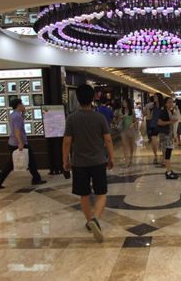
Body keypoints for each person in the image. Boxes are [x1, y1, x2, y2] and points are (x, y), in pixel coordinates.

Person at [62, 84, 114, 243]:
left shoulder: (72, 118)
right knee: (101, 193)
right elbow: (108, 139)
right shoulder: (100, 118)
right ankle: (96, 219)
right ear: (93, 98)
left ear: (77, 98)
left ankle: (89, 220)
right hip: (98, 161)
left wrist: (65, 160)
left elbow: (67, 142)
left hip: (79, 162)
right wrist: (111, 157)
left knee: (84, 194)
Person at [0, 98, 47, 189]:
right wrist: (20, 143)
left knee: (13, 163)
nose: (23, 106)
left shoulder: (13, 115)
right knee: (30, 161)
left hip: (13, 142)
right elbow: (17, 131)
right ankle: (36, 179)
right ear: (18, 105)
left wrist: (24, 113)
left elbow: (17, 126)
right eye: (22, 104)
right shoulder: (17, 116)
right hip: (18, 143)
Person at [158, 97, 178, 179]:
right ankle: (169, 172)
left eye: (172, 102)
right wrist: (171, 122)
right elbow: (159, 122)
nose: (171, 104)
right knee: (167, 153)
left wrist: (174, 134)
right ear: (165, 103)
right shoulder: (163, 112)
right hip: (165, 135)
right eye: (169, 102)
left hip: (169, 135)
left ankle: (169, 170)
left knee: (168, 153)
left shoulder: (171, 111)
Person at [118, 99, 137, 167]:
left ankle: (131, 158)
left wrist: (133, 124)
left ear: (128, 103)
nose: (123, 104)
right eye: (123, 102)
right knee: (125, 145)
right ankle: (126, 161)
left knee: (131, 145)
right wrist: (121, 118)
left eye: (125, 102)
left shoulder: (132, 111)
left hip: (131, 130)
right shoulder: (121, 111)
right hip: (123, 130)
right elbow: (118, 120)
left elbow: (135, 120)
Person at [149, 93, 164, 164]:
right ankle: (155, 156)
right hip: (153, 125)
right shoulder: (153, 106)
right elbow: (151, 116)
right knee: (153, 141)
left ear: (159, 98)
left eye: (155, 97)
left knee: (163, 142)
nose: (154, 98)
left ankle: (163, 157)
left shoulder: (163, 106)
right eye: (154, 97)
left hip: (162, 125)